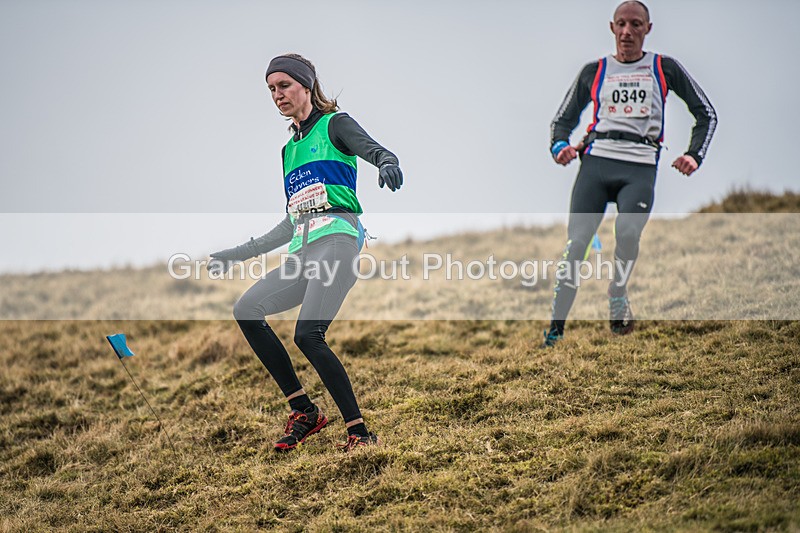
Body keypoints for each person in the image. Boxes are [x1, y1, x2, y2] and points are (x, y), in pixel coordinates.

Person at [207, 53, 403, 451]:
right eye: (271, 89)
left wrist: (387, 163)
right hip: (302, 249)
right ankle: (304, 411)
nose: (277, 94)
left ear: (306, 86)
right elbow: (289, 221)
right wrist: (238, 254)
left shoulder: (336, 124)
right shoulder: (287, 152)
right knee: (247, 310)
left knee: (308, 335)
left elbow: (376, 150)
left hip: (338, 241)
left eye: (284, 85)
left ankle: (360, 433)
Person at [543, 1, 717, 347]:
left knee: (627, 232)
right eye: (621, 24)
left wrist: (694, 155)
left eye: (635, 24)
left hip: (638, 168)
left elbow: (706, 114)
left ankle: (618, 292)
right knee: (576, 245)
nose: (627, 32)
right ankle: (555, 331)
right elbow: (561, 121)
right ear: (611, 27)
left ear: (647, 29)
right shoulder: (594, 71)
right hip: (595, 163)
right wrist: (559, 146)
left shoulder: (663, 68)